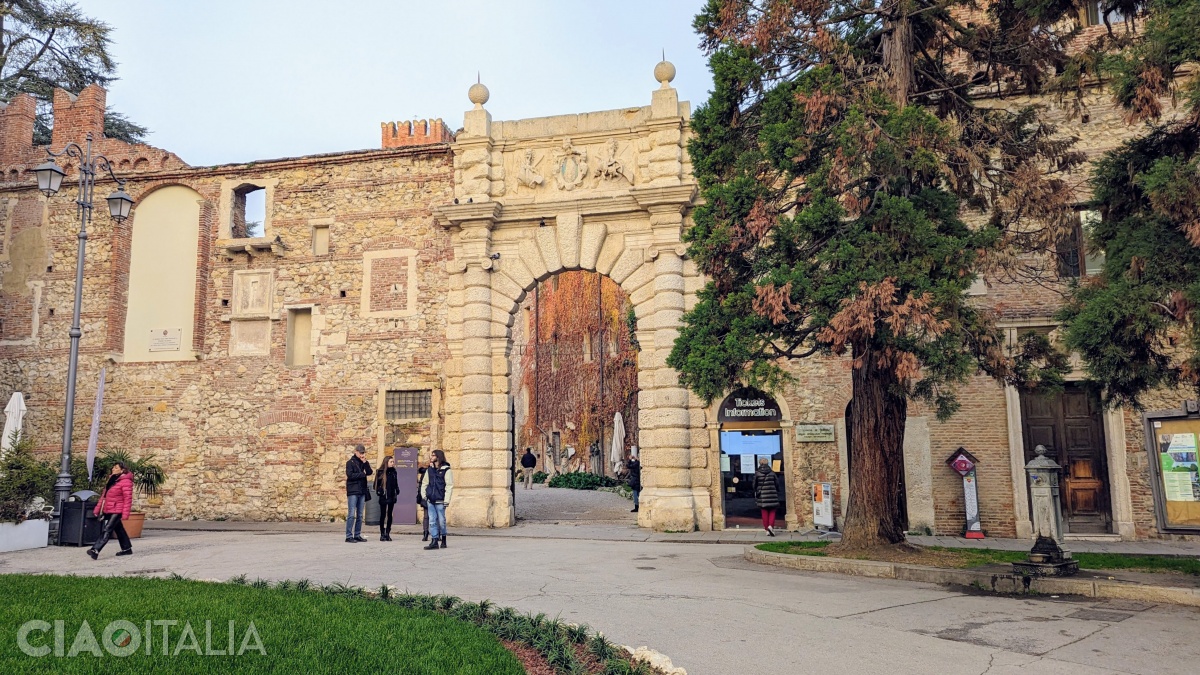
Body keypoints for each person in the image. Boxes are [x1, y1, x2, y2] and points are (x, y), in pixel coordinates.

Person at [87, 462, 134, 560]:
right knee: (119, 529)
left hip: (118, 510)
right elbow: (103, 497)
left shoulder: (126, 482)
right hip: (111, 508)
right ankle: (127, 548)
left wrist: (125, 514)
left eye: (116, 467)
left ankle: (95, 550)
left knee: (107, 529)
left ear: (122, 470)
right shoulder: (112, 480)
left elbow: (128, 499)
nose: (113, 469)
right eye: (113, 467)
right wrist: (98, 509)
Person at [418, 449, 453, 550]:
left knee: (441, 521)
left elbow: (449, 485)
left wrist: (447, 500)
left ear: (438, 457)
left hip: (440, 500)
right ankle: (434, 540)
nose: (431, 457)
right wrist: (424, 495)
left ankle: (444, 538)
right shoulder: (430, 470)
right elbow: (425, 483)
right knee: (432, 521)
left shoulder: (446, 470)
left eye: (433, 455)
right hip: (431, 499)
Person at [345, 444, 373, 543]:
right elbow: (350, 475)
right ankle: (348, 536)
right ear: (355, 452)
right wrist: (362, 474)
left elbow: (369, 472)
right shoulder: (350, 463)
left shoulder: (363, 463)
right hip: (353, 491)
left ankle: (357, 534)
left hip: (362, 491)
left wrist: (365, 462)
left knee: (360, 515)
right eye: (360, 452)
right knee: (352, 514)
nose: (362, 454)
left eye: (363, 453)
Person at [754, 457, 781, 536]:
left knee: (764, 512)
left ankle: (766, 529)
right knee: (772, 511)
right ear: (768, 463)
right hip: (772, 495)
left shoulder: (757, 473)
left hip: (762, 496)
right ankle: (770, 526)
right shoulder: (772, 473)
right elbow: (777, 484)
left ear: (760, 463)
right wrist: (777, 491)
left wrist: (757, 490)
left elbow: (754, 485)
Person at [374, 455, 399, 541]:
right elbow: (376, 485)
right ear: (386, 462)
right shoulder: (380, 472)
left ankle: (388, 532)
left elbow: (395, 483)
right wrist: (380, 491)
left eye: (393, 462)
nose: (393, 463)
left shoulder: (393, 472)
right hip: (384, 496)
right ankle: (382, 533)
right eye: (391, 462)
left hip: (391, 495)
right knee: (383, 514)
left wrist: (397, 491)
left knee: (390, 515)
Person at [416, 458, 430, 542]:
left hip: (435, 496)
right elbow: (421, 485)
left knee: (436, 517)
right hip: (426, 496)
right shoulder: (425, 473)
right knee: (426, 516)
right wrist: (421, 496)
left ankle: (438, 533)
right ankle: (425, 532)